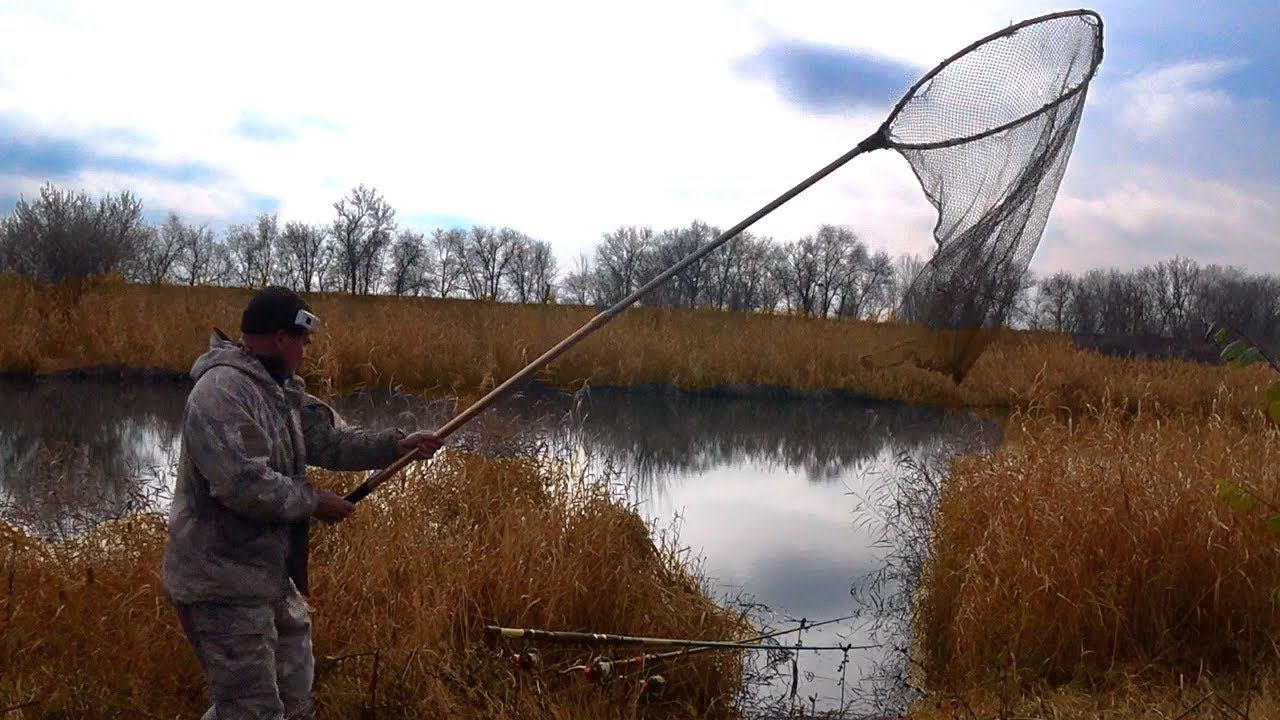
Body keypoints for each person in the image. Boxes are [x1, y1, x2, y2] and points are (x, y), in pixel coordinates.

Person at [161, 286, 442, 719]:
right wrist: (314, 502)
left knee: (294, 700)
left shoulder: (279, 391)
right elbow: (243, 483)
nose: (305, 354)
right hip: (220, 585)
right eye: (303, 343)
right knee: (251, 710)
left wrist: (397, 446)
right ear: (280, 338)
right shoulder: (222, 393)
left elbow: (330, 441)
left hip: (269, 577)